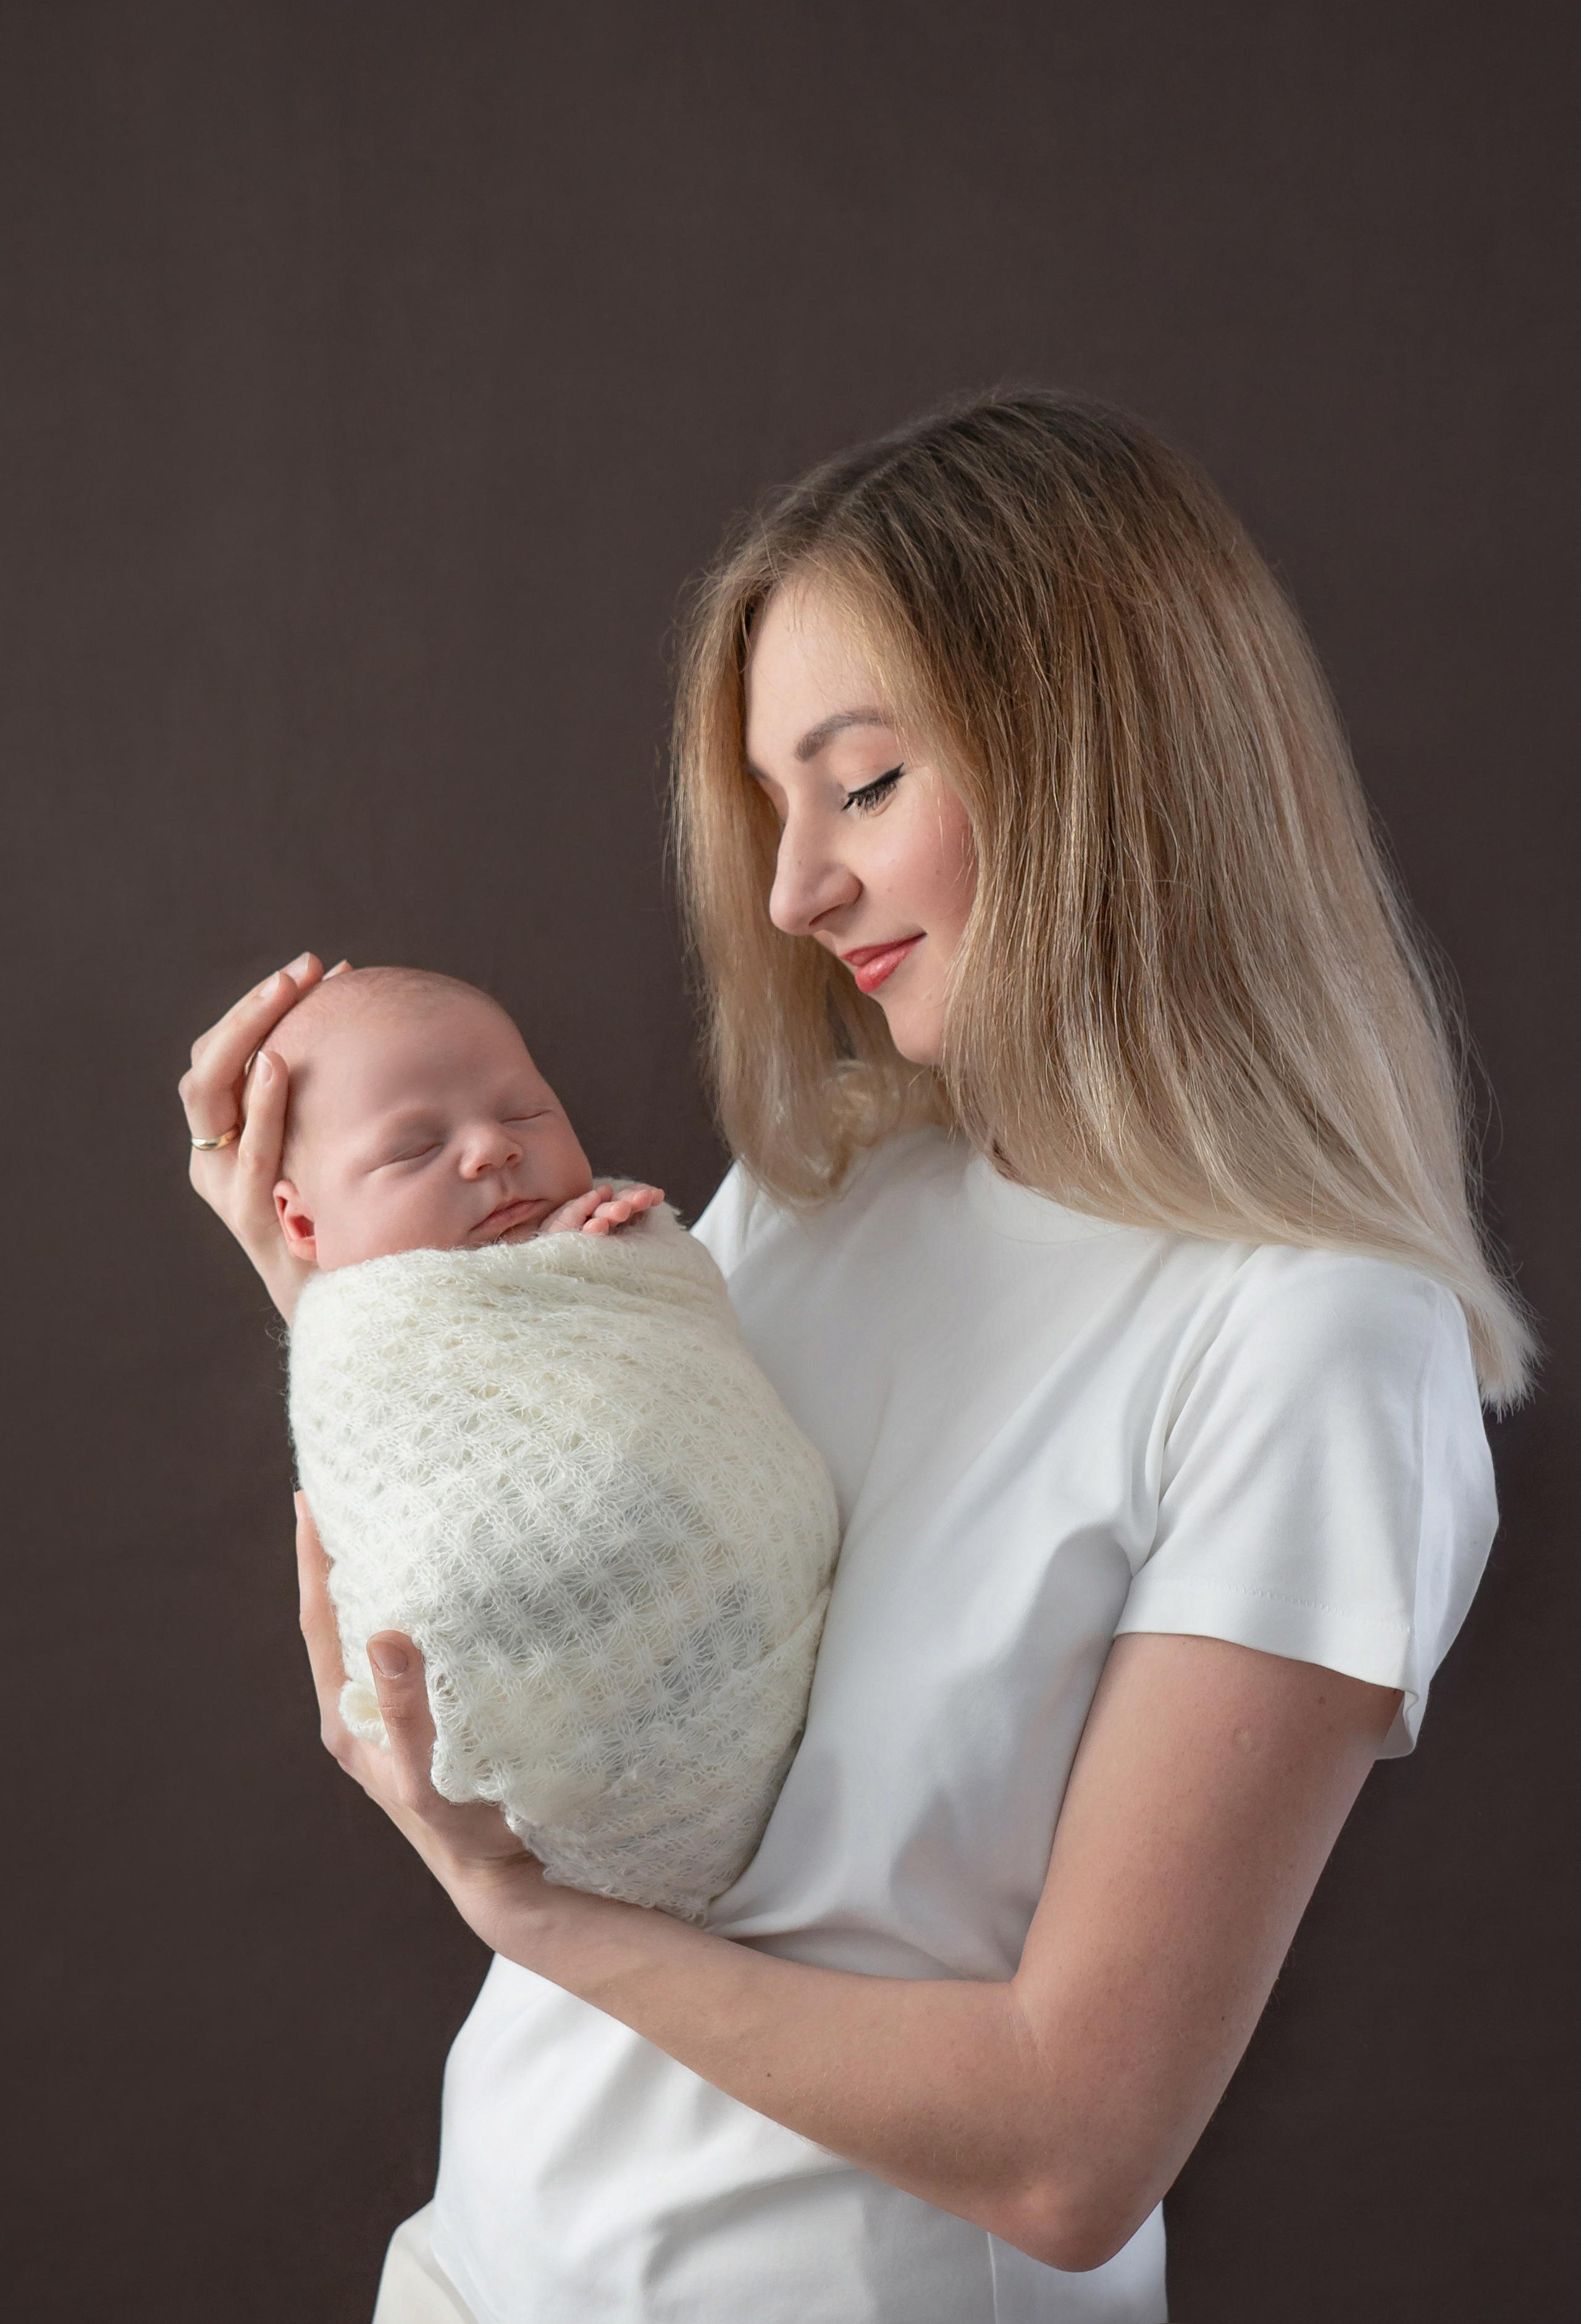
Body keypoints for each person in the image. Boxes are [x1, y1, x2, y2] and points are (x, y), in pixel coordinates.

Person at [181, 392, 1529, 2324]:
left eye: (866, 782)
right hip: (482, 2268)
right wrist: (351, 1292)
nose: (797, 887)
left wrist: (520, 1916)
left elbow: (1073, 2146)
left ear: (1100, 767)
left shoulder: (1318, 1346)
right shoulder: (831, 1192)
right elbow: (564, 1567)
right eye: (777, 805)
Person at [274, 961, 839, 1923]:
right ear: (299, 1221)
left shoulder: (597, 1239)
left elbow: (671, 1364)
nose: (491, 1149)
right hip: (559, 1733)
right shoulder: (357, 1341)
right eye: (415, 1148)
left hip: (758, 1659)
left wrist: (607, 1261)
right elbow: (418, 1531)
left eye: (525, 1112)